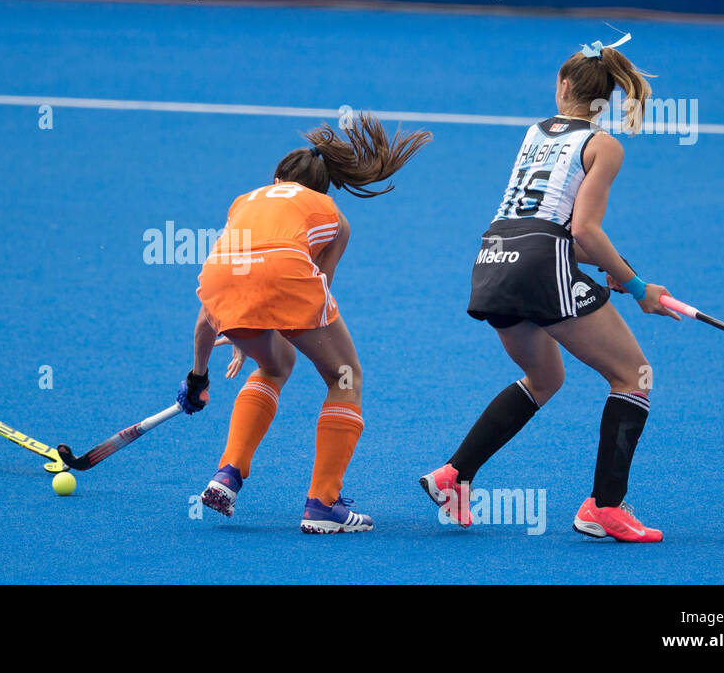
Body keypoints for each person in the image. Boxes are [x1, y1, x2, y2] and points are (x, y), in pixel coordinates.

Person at [418, 36, 678, 542]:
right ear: (608, 99)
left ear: (563, 88)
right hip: (541, 265)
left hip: (493, 258)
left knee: (544, 377)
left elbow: (560, 230)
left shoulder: (534, 132)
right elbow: (581, 231)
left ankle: (454, 476)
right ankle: (604, 508)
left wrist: (615, 267)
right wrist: (639, 286)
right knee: (633, 375)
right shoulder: (604, 145)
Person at [177, 114, 431, 533]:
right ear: (324, 186)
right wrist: (270, 315)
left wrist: (197, 377)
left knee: (274, 365)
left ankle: (227, 475)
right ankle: (322, 505)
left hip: (221, 281)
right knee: (345, 378)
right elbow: (316, 290)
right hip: (290, 279)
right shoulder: (331, 213)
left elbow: (208, 315)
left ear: (277, 177)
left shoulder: (243, 201)